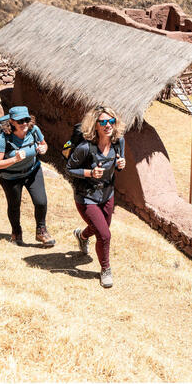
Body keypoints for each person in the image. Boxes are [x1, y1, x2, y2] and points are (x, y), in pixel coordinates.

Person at [66, 105, 126, 288]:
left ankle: (82, 236)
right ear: (95, 125)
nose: (108, 125)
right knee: (105, 235)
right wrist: (89, 173)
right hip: (86, 197)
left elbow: (118, 165)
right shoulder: (85, 147)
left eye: (111, 121)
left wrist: (121, 165)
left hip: (107, 194)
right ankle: (105, 269)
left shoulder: (118, 142)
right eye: (103, 122)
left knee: (100, 229)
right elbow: (69, 169)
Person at [0, 105, 56, 247]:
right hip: (11, 177)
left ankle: (41, 231)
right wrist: (15, 159)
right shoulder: (4, 137)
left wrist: (43, 148)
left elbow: (43, 144)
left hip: (32, 171)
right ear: (12, 122)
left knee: (41, 202)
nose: (24, 123)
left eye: (26, 119)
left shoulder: (34, 130)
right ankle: (16, 232)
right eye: (20, 121)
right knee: (14, 205)